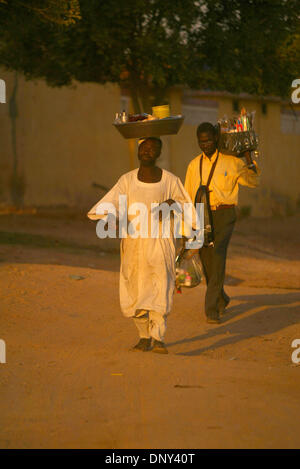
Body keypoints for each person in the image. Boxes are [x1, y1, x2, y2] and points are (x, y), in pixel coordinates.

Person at [87, 137, 199, 354]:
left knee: (160, 288)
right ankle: (143, 336)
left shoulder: (170, 181)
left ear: (159, 154)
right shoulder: (127, 180)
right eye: (144, 147)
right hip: (134, 244)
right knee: (135, 290)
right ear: (138, 151)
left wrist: (172, 203)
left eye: (153, 148)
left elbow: (187, 207)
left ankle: (158, 338)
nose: (147, 151)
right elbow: (113, 204)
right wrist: (112, 216)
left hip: (161, 244)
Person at [184, 122, 260, 324]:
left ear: (216, 138)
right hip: (201, 214)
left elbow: (252, 182)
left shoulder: (231, 162)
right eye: (201, 141)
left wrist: (248, 159)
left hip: (224, 215)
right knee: (207, 260)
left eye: (209, 140)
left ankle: (211, 310)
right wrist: (188, 226)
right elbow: (188, 196)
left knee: (217, 255)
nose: (205, 144)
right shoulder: (193, 165)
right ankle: (222, 298)